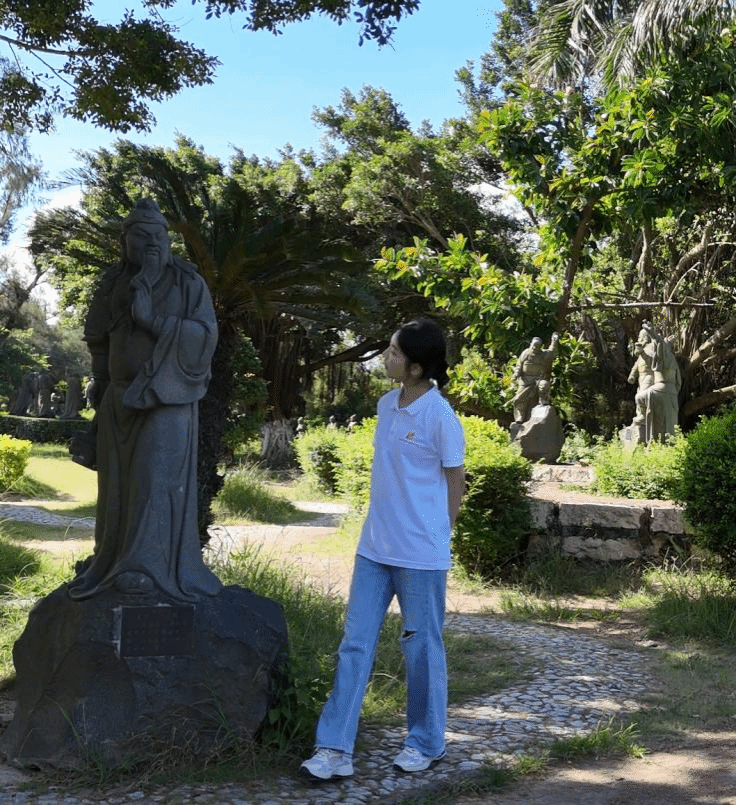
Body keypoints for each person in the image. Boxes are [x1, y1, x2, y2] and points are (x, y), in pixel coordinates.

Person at [300, 318, 465, 781]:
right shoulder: (386, 406)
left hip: (420, 556)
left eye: (394, 352)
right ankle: (333, 749)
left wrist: (441, 534)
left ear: (415, 368)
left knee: (421, 650)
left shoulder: (440, 417)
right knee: (354, 645)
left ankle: (426, 742)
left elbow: (456, 481)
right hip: (374, 549)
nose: (385, 357)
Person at [68, 198, 222, 601]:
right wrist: (100, 379)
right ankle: (111, 559)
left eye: (159, 236)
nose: (152, 244)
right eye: (141, 236)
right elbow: (99, 338)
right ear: (125, 242)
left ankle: (146, 568)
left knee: (153, 480)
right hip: (118, 398)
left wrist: (153, 321)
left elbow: (206, 336)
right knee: (117, 487)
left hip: (166, 398)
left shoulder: (187, 283)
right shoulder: (112, 282)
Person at [511, 333, 559, 423]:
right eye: (534, 346)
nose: (535, 348)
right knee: (519, 398)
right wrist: (517, 374)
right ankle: (521, 415)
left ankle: (542, 400)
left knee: (544, 385)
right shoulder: (525, 353)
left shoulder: (542, 354)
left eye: (537, 347)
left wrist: (554, 341)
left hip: (538, 379)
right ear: (531, 344)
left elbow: (551, 351)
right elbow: (519, 365)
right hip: (525, 380)